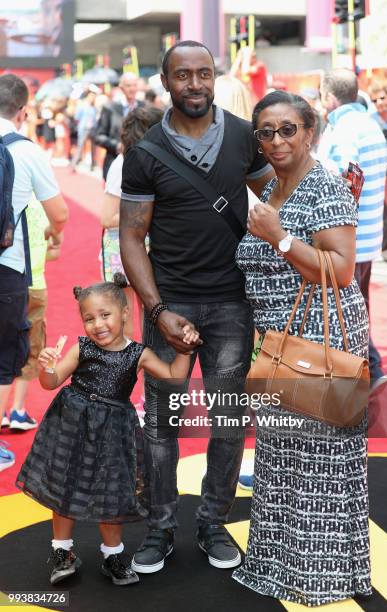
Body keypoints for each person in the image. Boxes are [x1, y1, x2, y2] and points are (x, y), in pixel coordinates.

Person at [120, 40, 274, 573]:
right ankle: (160, 527)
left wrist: (333, 194)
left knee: (228, 420)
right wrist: (158, 310)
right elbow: (131, 238)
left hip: (233, 303)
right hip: (172, 306)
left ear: (214, 78)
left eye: (204, 74)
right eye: (183, 75)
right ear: (165, 81)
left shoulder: (241, 136)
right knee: (161, 422)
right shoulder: (144, 153)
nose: (195, 84)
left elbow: (278, 191)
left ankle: (212, 521)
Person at [232, 90, 371, 606]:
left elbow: (339, 270)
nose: (276, 140)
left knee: (318, 462)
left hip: (319, 340)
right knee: (279, 457)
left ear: (310, 131)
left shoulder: (325, 187)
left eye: (287, 129)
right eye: (265, 132)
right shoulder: (271, 188)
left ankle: (322, 576)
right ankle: (276, 566)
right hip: (276, 345)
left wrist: (281, 239)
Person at [16, 273, 199, 585]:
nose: (97, 324)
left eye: (105, 315)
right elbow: (50, 382)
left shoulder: (137, 353)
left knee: (112, 492)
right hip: (72, 424)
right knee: (65, 487)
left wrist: (183, 351)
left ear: (124, 312)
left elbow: (172, 376)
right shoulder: (82, 347)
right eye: (89, 318)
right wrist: (47, 365)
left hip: (115, 430)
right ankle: (62, 551)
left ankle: (113, 554)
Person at [0, 74, 68, 473]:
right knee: (3, 355)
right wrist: (52, 234)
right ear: (24, 111)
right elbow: (59, 213)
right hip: (7, 266)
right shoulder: (28, 151)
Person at [318, 68, 387, 386]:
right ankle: (369, 368)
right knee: (355, 308)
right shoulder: (368, 124)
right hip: (365, 236)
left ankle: (367, 370)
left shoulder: (346, 130)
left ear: (330, 98)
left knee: (347, 312)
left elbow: (348, 180)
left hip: (351, 239)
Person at [100, 106, 163, 340]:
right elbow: (107, 217)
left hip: (150, 246)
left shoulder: (154, 161)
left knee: (153, 314)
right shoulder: (121, 164)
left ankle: (148, 370)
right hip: (122, 246)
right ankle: (128, 372)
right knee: (125, 319)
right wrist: (147, 215)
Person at [2, 197, 61, 432]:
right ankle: (18, 409)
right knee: (30, 347)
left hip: (7, 281)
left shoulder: (9, 201)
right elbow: (54, 249)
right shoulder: (43, 207)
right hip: (35, 284)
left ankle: (2, 411)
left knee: (3, 344)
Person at [94, 72, 142, 180]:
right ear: (121, 87)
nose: (132, 89)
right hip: (114, 162)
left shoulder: (144, 107)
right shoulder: (109, 108)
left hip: (139, 166)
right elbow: (98, 136)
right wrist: (117, 146)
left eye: (135, 85)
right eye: (129, 85)